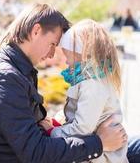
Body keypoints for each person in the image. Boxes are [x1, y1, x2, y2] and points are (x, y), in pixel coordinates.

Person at [0, 3, 128, 163]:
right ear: (36, 31)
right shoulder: (3, 79)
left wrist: (56, 123)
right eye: (52, 44)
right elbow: (36, 153)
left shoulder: (16, 70)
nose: (52, 54)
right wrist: (100, 143)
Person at [39, 19, 128, 162]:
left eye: (68, 56)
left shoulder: (92, 85)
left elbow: (82, 129)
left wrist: (53, 132)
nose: (66, 62)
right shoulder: (90, 78)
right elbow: (83, 118)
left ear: (84, 54)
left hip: (103, 157)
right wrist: (60, 124)